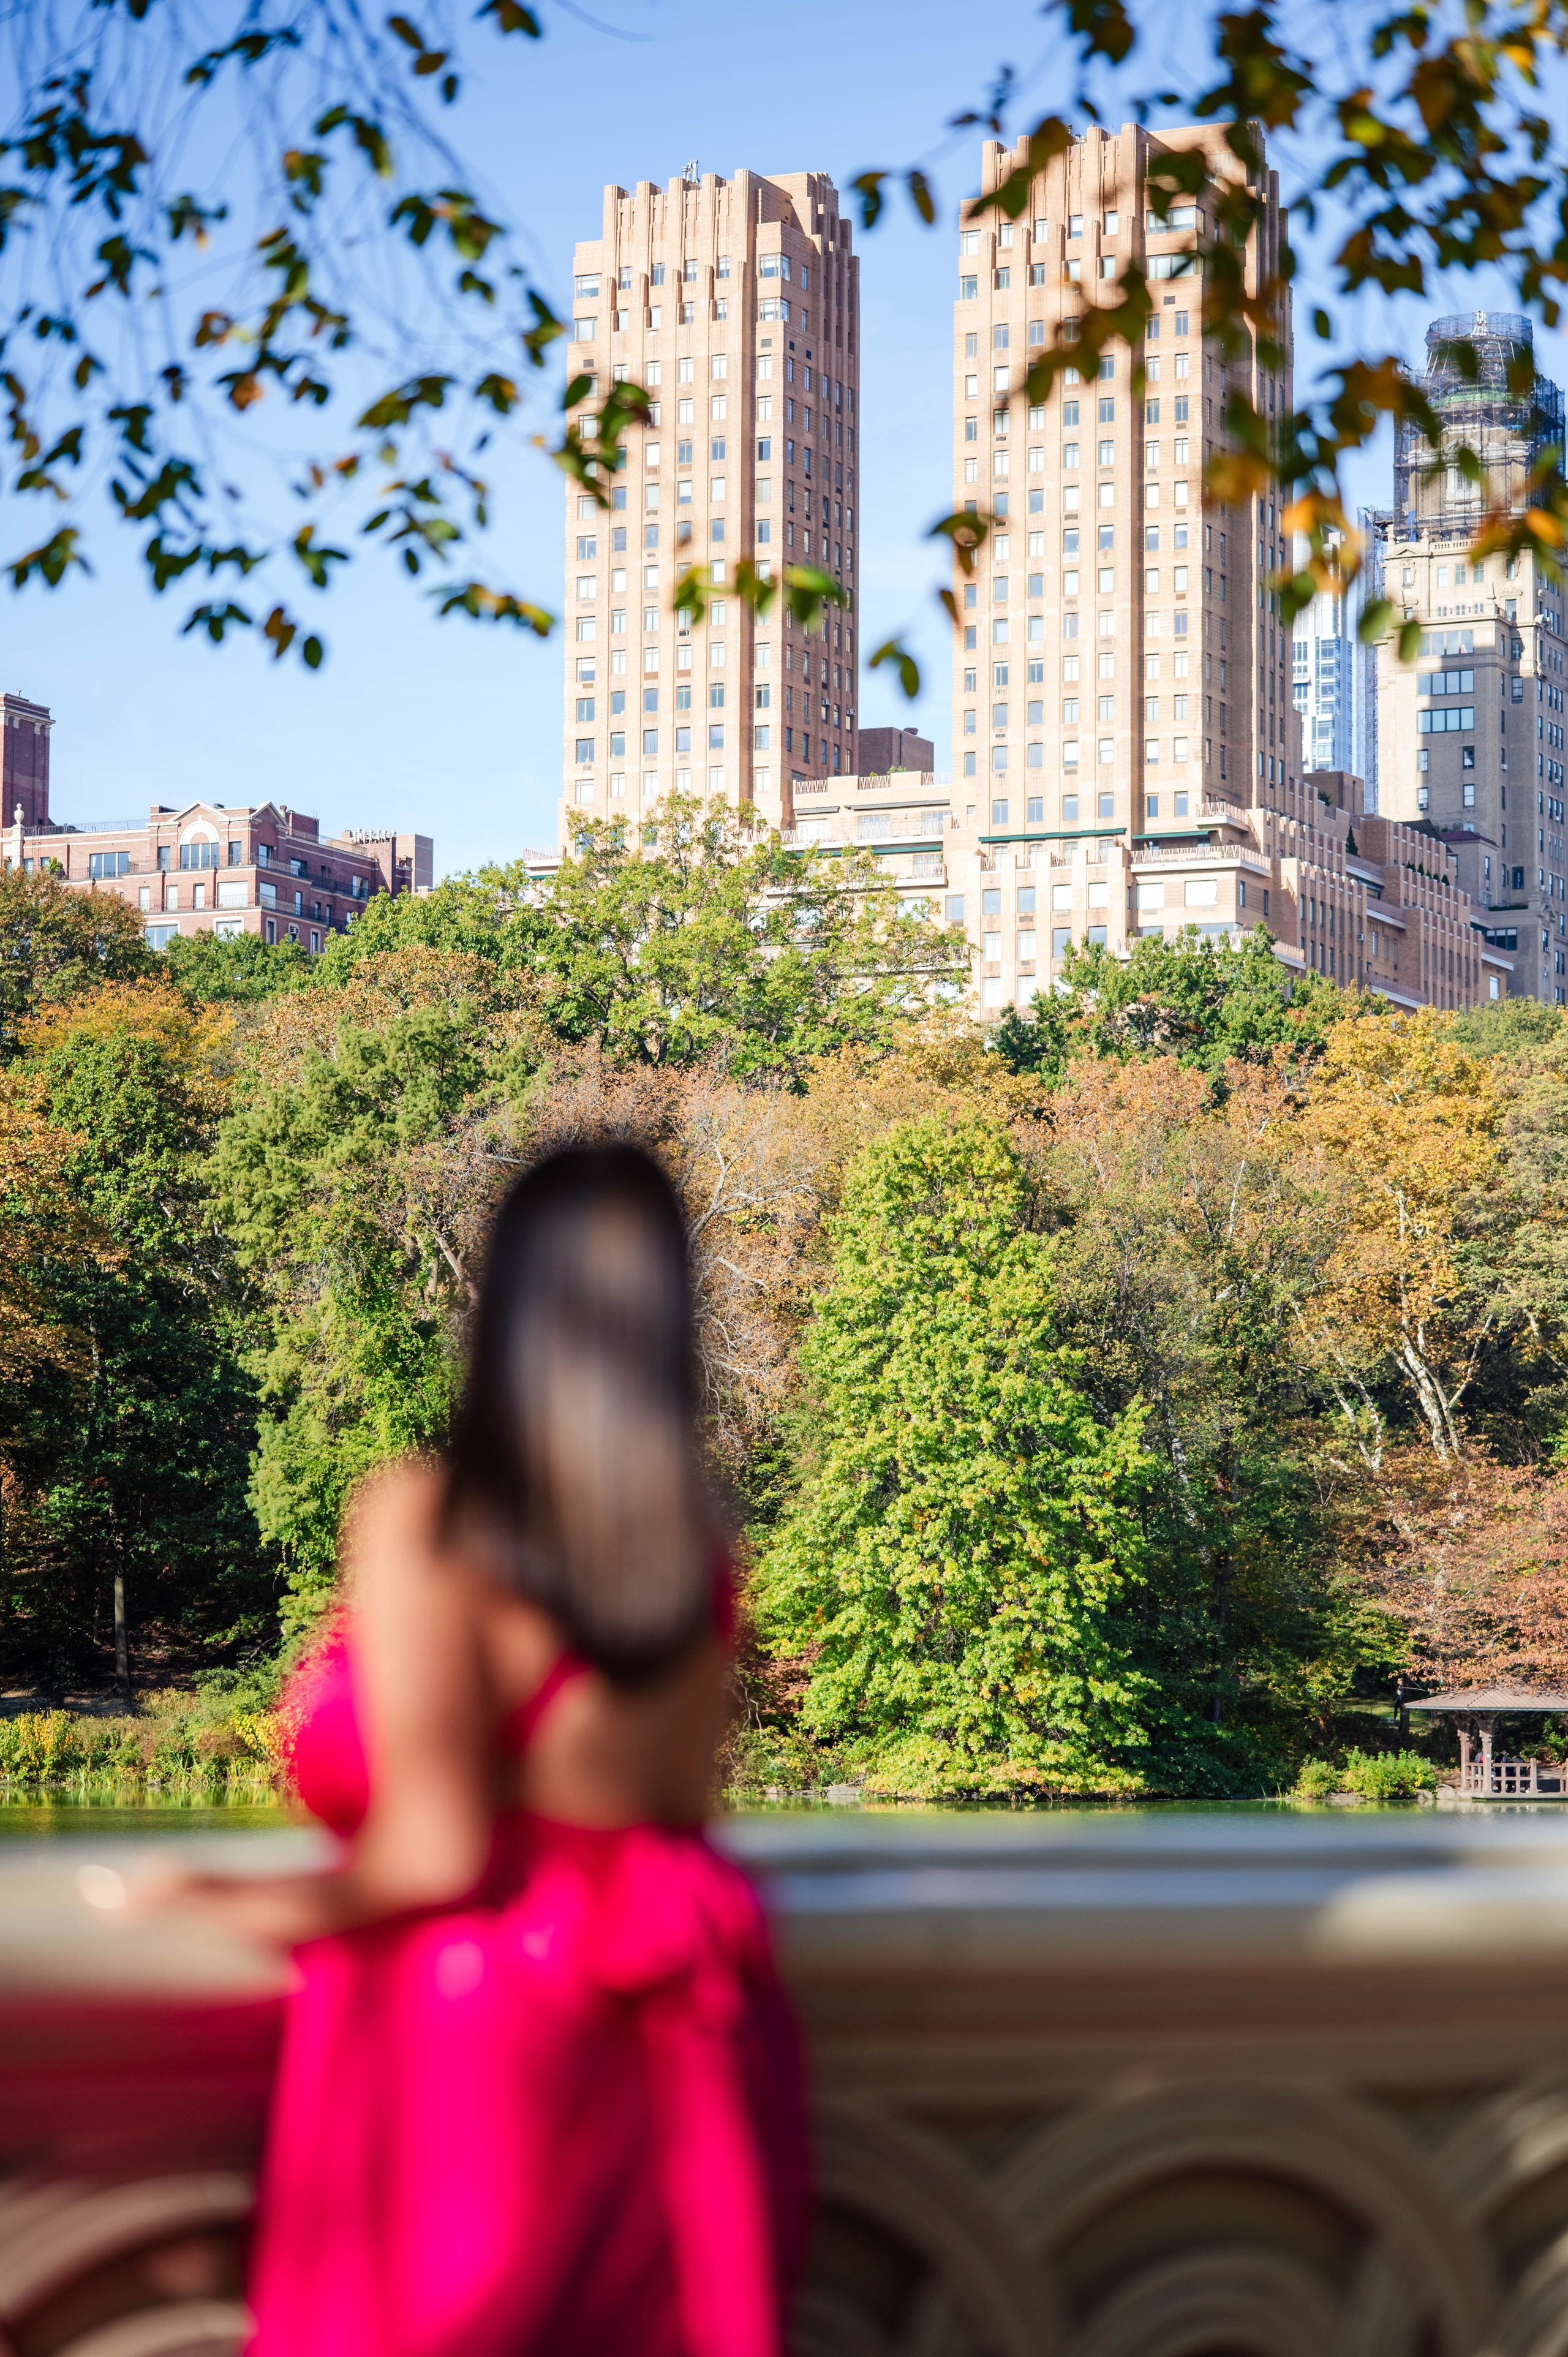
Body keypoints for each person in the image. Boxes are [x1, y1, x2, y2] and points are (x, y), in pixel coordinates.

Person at [160, 1144, 809, 2357]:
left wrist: (206, 1899)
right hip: (677, 2040)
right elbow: (668, 1809)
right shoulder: (691, 1552)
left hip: (472, 2044)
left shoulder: (427, 1517)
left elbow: (436, 1849)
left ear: (507, 1301)